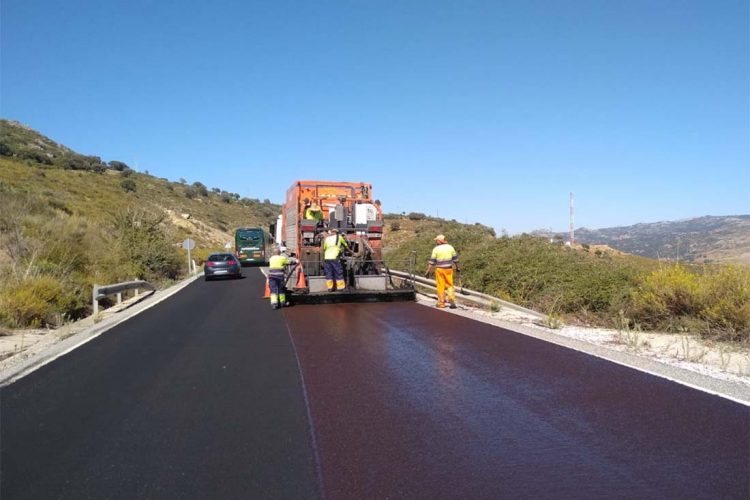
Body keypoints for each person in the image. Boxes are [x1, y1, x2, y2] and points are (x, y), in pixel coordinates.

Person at [425, 234, 460, 309]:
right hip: (449, 269)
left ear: (440, 241)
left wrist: (428, 271)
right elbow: (455, 259)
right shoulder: (450, 247)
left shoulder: (436, 249)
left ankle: (441, 303)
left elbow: (431, 262)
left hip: (439, 270)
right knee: (450, 285)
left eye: (437, 240)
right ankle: (451, 299)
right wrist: (458, 267)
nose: (436, 241)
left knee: (441, 286)